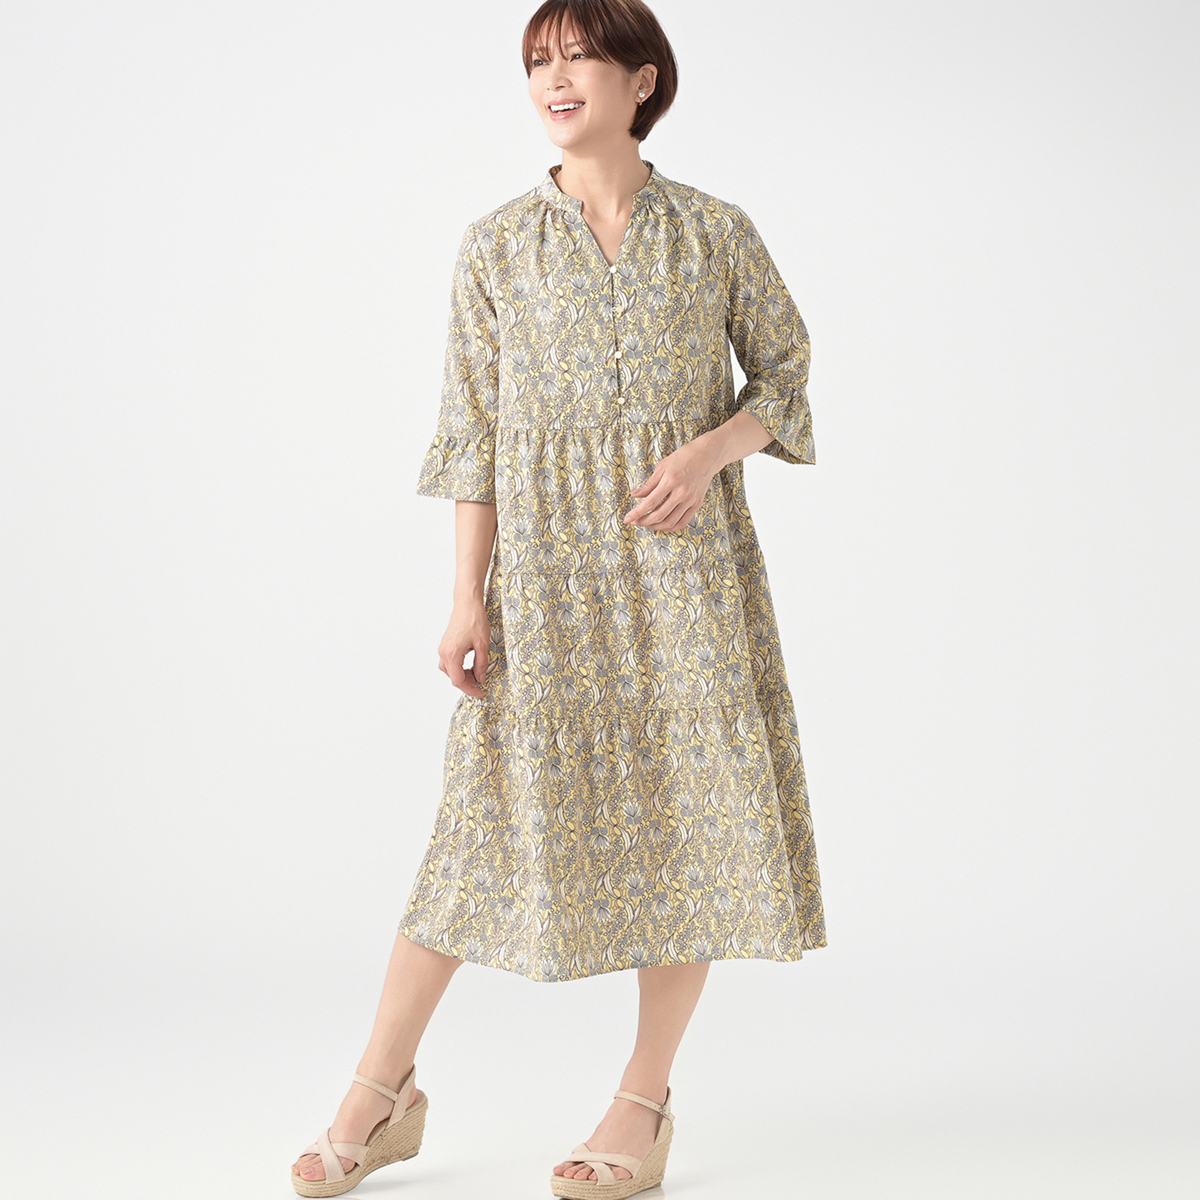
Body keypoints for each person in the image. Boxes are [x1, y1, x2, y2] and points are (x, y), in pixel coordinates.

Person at [291, 1, 827, 1195]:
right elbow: (472, 434)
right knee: (475, 834)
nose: (555, 77)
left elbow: (787, 376)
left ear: (643, 81)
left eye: (580, 55)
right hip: (544, 583)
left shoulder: (716, 232)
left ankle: (642, 1104)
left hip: (686, 578)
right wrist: (465, 597)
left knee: (690, 824)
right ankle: (382, 1090)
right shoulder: (494, 246)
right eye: (539, 60)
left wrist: (709, 453)